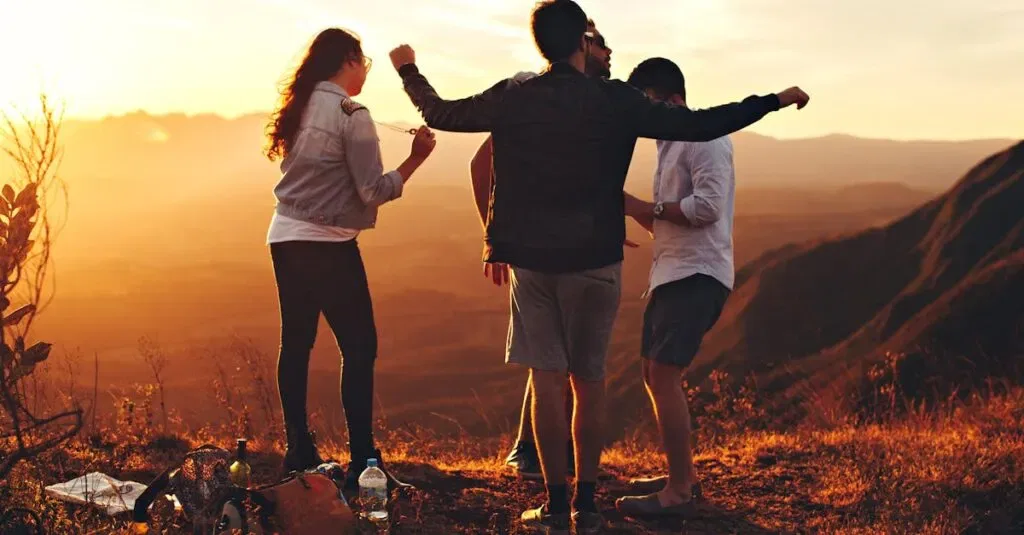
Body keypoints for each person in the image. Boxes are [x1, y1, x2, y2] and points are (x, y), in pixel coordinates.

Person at [390, 1, 809, 531]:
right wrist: (773, 100)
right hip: (596, 259)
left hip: (533, 261)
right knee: (589, 381)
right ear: (582, 42)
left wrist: (408, 68)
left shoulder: (516, 96)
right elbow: (703, 124)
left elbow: (442, 114)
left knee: (547, 382)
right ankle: (587, 505)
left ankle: (556, 505)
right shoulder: (615, 100)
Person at [263, 27, 436, 490]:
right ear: (349, 60)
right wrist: (416, 158)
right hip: (330, 244)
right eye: (365, 64)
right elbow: (372, 190)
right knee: (360, 348)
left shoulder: (299, 105)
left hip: (284, 236)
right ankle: (364, 463)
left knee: (296, 343)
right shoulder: (352, 114)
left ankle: (299, 450)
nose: (366, 74)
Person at [469, 19, 615, 483]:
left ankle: (546, 461)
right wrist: (495, 237)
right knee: (551, 360)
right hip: (538, 249)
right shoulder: (532, 95)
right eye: (601, 44)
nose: (611, 54)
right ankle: (533, 455)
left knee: (556, 359)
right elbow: (481, 162)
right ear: (581, 46)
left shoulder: (591, 103)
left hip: (572, 244)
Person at [614, 57, 739, 516]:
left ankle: (679, 492)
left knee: (663, 375)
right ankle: (680, 474)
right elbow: (668, 220)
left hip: (697, 274)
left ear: (670, 99)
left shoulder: (703, 139)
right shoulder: (670, 144)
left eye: (644, 103)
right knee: (654, 374)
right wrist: (631, 209)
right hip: (672, 272)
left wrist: (647, 205)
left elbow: (705, 208)